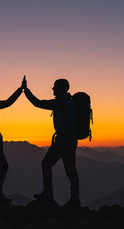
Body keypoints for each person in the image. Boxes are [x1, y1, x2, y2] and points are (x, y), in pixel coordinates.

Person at [22, 77, 81, 207]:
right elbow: (37, 103)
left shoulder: (67, 104)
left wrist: (68, 144)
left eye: (55, 87)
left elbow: (73, 125)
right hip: (62, 141)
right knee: (66, 169)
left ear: (61, 89)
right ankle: (71, 198)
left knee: (61, 168)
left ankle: (68, 197)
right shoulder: (59, 103)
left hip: (65, 142)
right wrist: (26, 90)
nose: (53, 89)